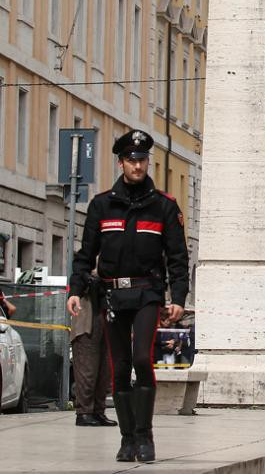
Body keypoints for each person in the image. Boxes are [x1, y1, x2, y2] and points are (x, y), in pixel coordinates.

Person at [67, 130, 189, 463]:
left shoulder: (164, 206)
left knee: (140, 360)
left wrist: (177, 297)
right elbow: (85, 253)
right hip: (112, 295)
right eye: (131, 160)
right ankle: (126, 439)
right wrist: (75, 290)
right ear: (121, 162)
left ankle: (145, 437)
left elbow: (178, 257)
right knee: (119, 367)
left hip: (147, 292)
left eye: (142, 159)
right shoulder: (102, 205)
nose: (138, 165)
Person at [69, 271, 116, 427]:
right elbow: (78, 279)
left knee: (104, 371)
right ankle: (84, 412)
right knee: (87, 369)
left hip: (106, 317)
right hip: (87, 318)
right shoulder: (85, 264)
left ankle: (98, 411)